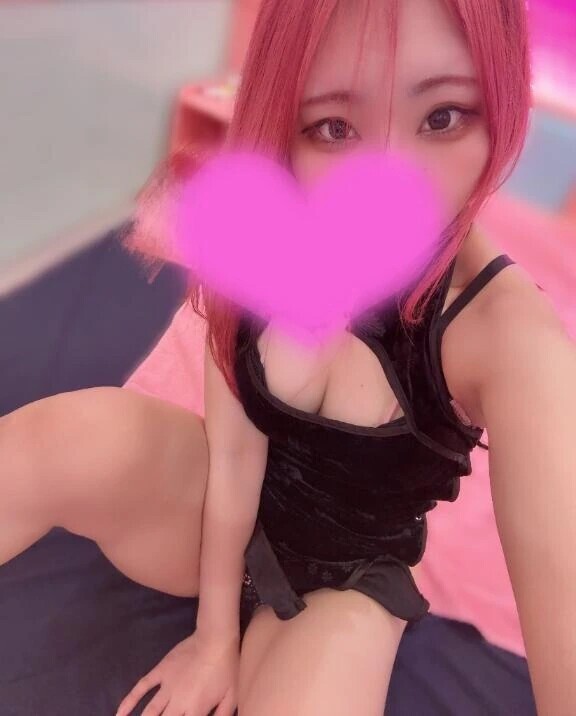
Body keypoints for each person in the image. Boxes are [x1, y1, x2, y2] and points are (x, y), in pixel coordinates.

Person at [1, 1, 575, 714]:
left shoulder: (507, 336)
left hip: (346, 579)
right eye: (335, 127)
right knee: (57, 440)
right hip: (211, 514)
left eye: (442, 117)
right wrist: (214, 639)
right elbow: (233, 458)